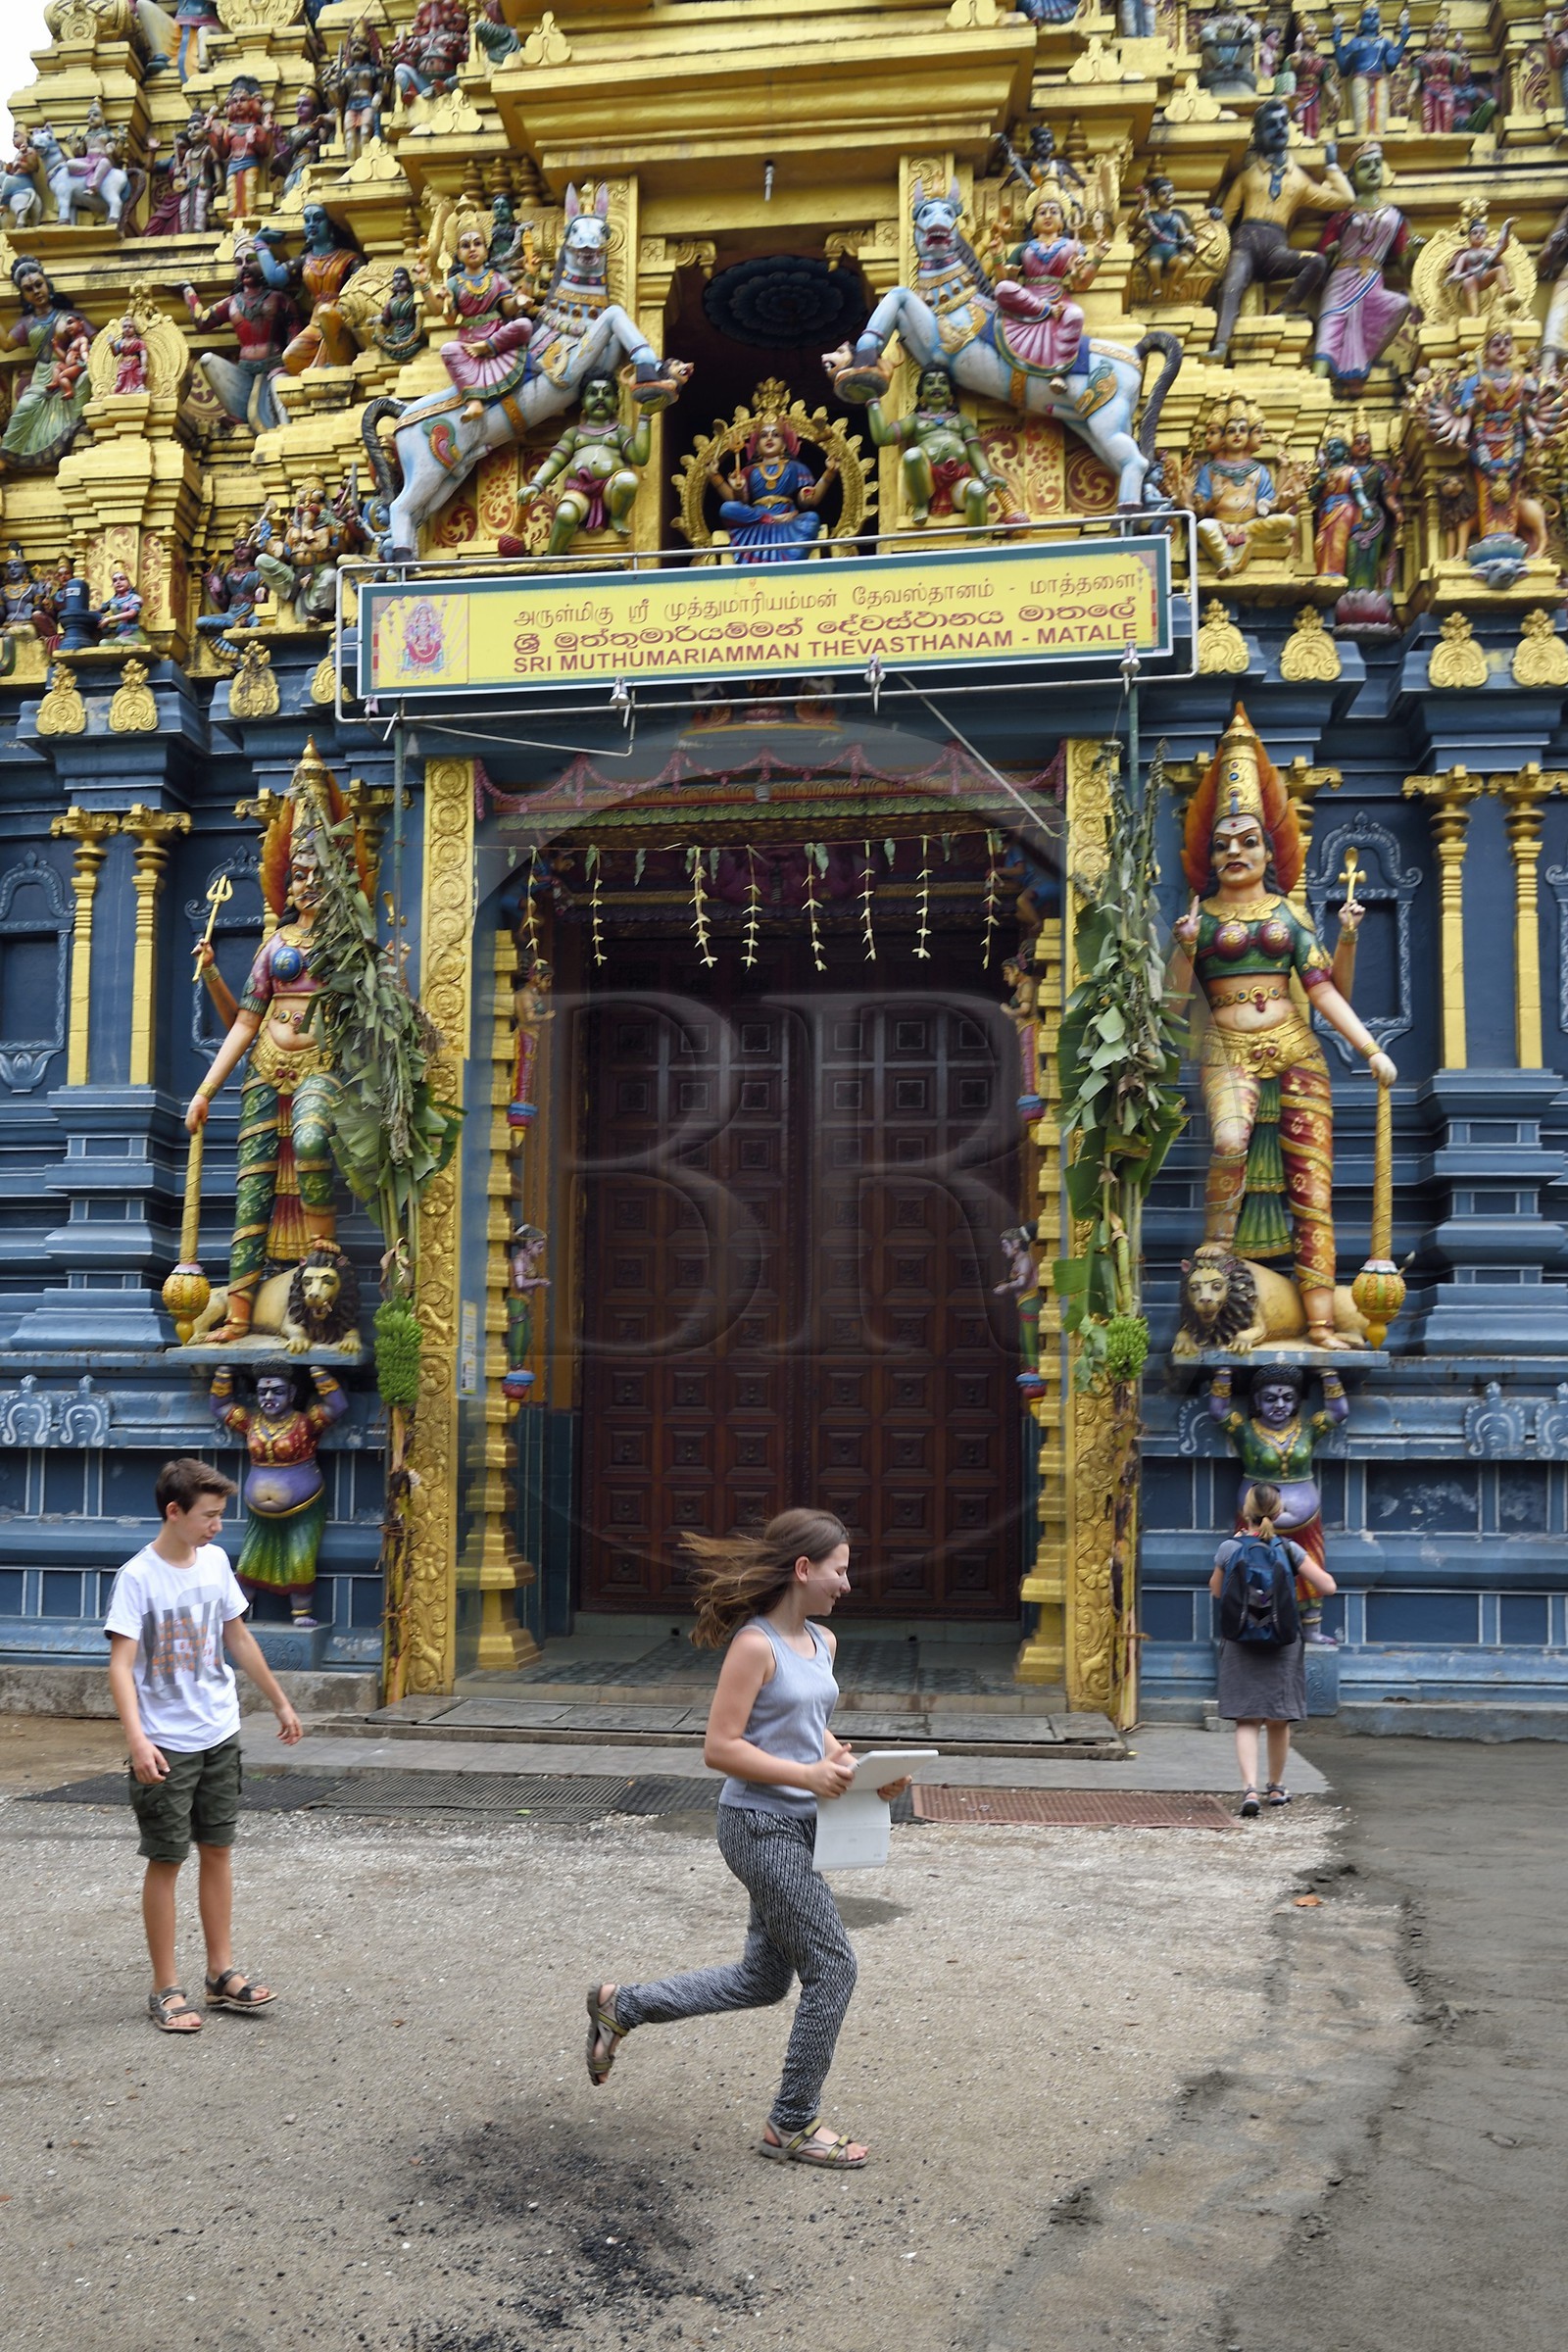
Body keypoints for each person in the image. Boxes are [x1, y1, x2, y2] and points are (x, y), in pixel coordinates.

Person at [583, 1509, 909, 2168]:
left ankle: (624, 2006)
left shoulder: (823, 1644)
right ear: (804, 1570)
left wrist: (856, 1771)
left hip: (801, 1822)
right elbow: (719, 1748)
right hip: (756, 1827)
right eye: (840, 1571)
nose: (848, 1584)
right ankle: (790, 2123)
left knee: (764, 1980)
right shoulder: (754, 1645)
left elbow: (809, 1727)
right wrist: (808, 1774)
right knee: (834, 1966)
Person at [104, 1456, 302, 2034]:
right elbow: (120, 1666)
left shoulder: (215, 1563)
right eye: (209, 1516)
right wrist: (136, 1739)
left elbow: (237, 1636)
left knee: (218, 1849)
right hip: (165, 1743)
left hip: (219, 1730)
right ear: (175, 1512)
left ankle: (220, 1974)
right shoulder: (138, 1577)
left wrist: (279, 1701)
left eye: (221, 1515)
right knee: (166, 1859)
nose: (218, 1526)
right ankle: (166, 1988)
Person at [1209, 1483, 1335, 1816]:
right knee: (1278, 1719)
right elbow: (1328, 1586)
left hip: (1241, 1640)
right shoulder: (1289, 1548)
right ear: (1278, 1513)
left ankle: (1249, 1790)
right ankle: (1276, 1787)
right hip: (1282, 1641)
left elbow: (1218, 1591)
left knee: (1246, 1720)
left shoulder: (1229, 1548)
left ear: (1245, 1513)